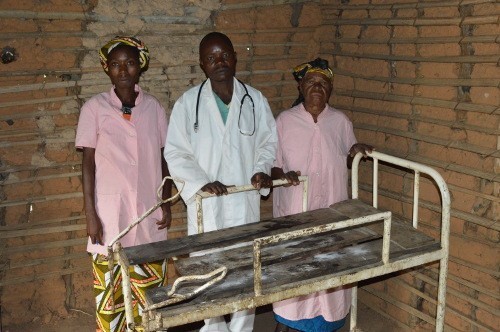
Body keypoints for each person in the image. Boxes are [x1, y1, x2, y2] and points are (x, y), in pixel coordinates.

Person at [164, 32, 277, 332]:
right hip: (207, 207)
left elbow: (267, 142)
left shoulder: (255, 100)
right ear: (202, 64)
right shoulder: (188, 104)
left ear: (234, 57)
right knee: (208, 273)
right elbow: (175, 152)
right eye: (211, 58)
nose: (220, 63)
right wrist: (200, 182)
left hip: (243, 201)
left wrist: (261, 168)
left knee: (245, 272)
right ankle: (213, 328)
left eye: (224, 55)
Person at [75, 36, 172, 332]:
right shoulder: (94, 108)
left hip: (148, 211)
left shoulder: (153, 108)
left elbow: (164, 157)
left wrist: (165, 201)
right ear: (107, 69)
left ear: (139, 66)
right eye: (115, 64)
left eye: (129, 62)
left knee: (150, 296)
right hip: (109, 215)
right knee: (111, 297)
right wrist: (91, 214)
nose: (122, 70)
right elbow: (87, 164)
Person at [271, 58, 373, 332]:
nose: (318, 88)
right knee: (294, 276)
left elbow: (349, 157)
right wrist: (282, 174)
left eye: (324, 84)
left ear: (330, 90)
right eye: (312, 82)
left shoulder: (340, 121)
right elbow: (272, 162)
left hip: (332, 209)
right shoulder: (285, 121)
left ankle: (327, 324)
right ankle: (287, 324)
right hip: (296, 211)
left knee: (330, 269)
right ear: (301, 86)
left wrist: (357, 152)